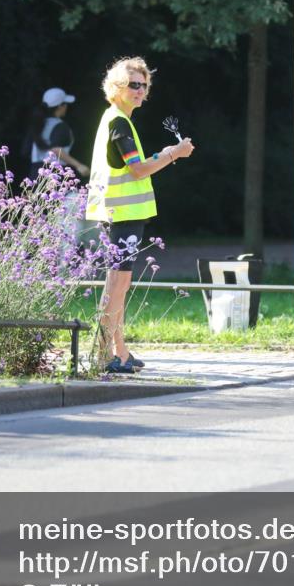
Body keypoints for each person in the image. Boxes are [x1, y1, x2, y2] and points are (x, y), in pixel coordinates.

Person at [85, 56, 195, 373]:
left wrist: (167, 155)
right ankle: (104, 356)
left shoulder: (116, 119)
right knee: (117, 284)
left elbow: (133, 166)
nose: (139, 90)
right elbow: (137, 169)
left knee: (120, 283)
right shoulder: (118, 121)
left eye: (144, 85)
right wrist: (173, 153)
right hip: (122, 215)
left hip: (118, 214)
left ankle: (120, 351)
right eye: (133, 84)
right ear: (116, 87)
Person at [26, 87, 90, 180]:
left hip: (34, 174)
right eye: (66, 104)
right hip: (53, 174)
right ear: (60, 106)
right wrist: (79, 165)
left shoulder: (38, 124)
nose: (67, 106)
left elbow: (25, 151)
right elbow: (56, 149)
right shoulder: (60, 126)